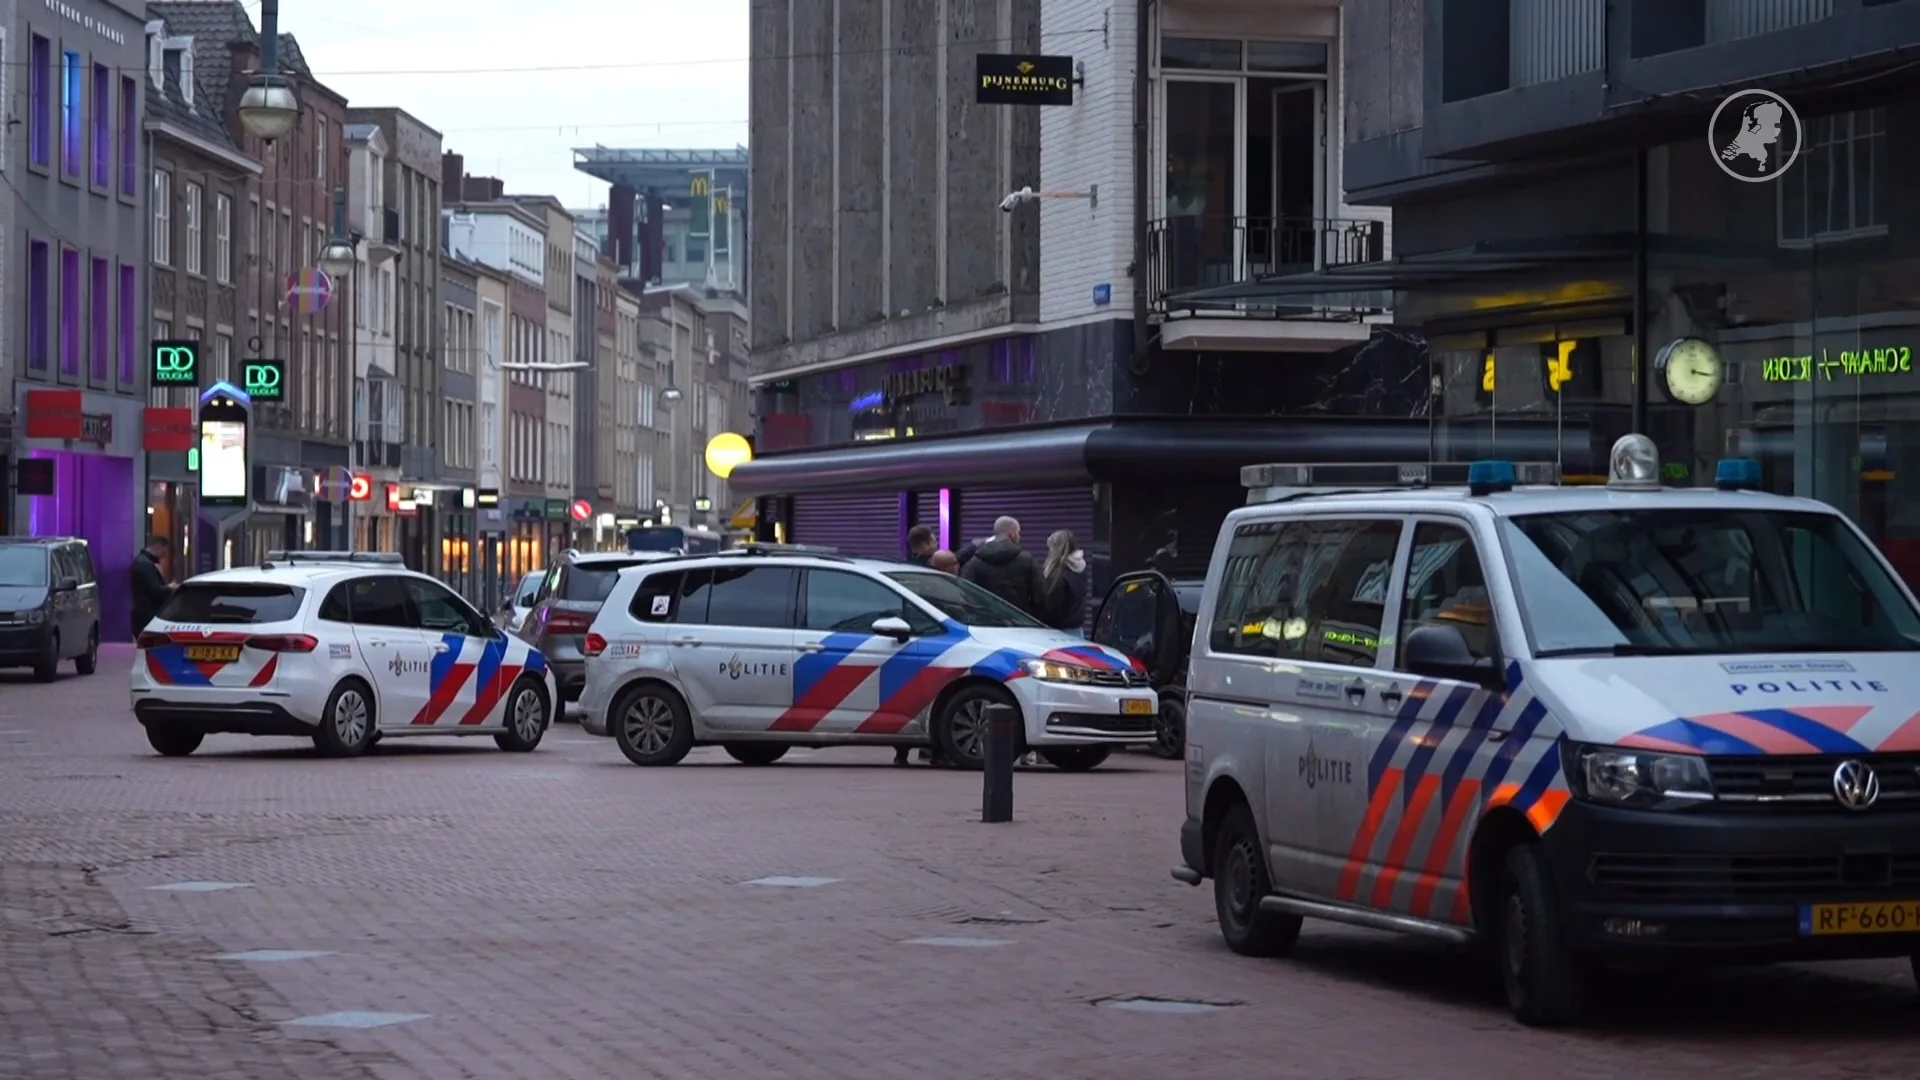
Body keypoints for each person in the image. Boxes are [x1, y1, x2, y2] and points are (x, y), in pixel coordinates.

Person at [960, 516, 1047, 618]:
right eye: (1019, 533)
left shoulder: (976, 561)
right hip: (1020, 621)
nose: (1019, 537)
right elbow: (1040, 595)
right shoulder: (1027, 559)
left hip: (987, 622)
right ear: (1012, 534)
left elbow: (967, 593)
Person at [1040, 530, 1091, 632]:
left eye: (1050, 548)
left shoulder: (1057, 574)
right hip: (1077, 629)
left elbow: (1053, 607)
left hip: (1059, 631)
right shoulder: (1079, 568)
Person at [130, 535, 174, 638]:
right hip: (147, 617)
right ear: (158, 547)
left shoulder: (143, 561)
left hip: (143, 616)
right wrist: (170, 588)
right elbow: (155, 590)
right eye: (164, 551)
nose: (165, 555)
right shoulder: (145, 564)